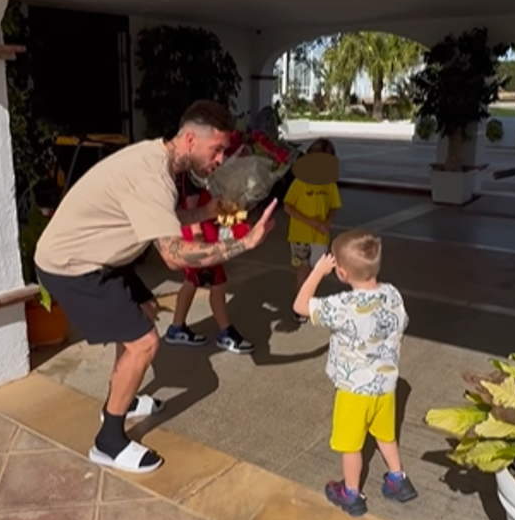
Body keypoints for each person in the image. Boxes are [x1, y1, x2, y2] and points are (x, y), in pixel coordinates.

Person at [35, 101, 276, 474]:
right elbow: (175, 256)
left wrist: (208, 214)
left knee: (144, 312)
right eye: (217, 150)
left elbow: (160, 217)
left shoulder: (157, 158)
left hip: (102, 257)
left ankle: (123, 400)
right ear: (191, 138)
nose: (220, 159)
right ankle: (109, 441)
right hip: (74, 265)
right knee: (145, 342)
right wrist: (245, 244)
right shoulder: (153, 176)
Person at [293, 228, 417, 516]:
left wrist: (317, 271)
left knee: (351, 446)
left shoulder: (343, 305)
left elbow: (300, 305)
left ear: (343, 273)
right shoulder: (393, 294)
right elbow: (403, 323)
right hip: (386, 385)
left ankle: (350, 493)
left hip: (353, 390)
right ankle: (398, 479)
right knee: (386, 435)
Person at [164, 167, 254, 354]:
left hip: (205, 233)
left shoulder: (202, 173)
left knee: (194, 280)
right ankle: (225, 332)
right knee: (216, 281)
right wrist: (198, 236)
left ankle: (177, 327)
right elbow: (191, 203)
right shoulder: (195, 175)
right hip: (199, 235)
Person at [283, 138, 341, 323]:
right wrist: (310, 222)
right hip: (300, 235)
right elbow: (288, 207)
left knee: (318, 269)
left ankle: (308, 299)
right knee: (303, 267)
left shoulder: (330, 184)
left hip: (320, 236)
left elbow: (334, 205)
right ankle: (301, 305)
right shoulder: (300, 182)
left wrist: (327, 222)